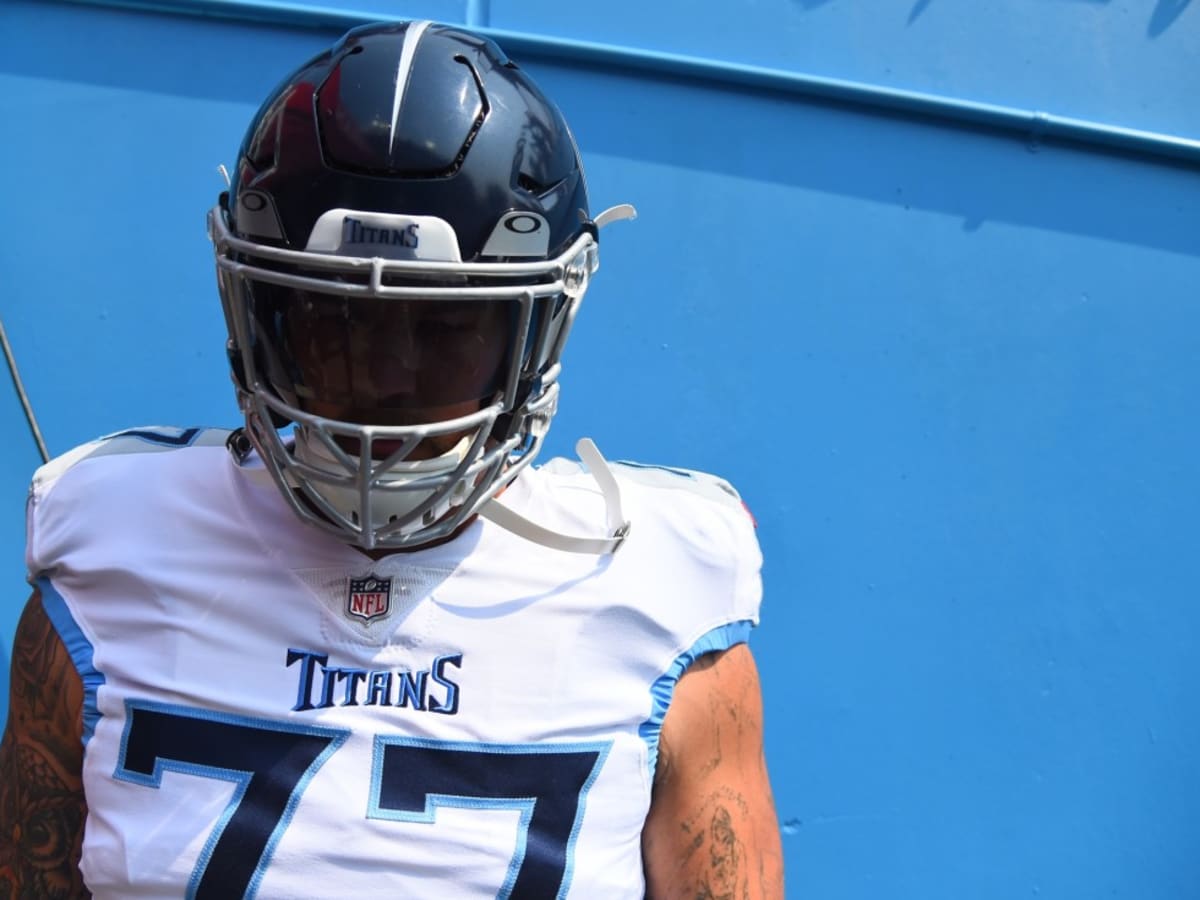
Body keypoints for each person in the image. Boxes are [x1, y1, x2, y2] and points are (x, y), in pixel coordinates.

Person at [0, 20, 783, 899]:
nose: (388, 376)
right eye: (336, 323)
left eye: (446, 330)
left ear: (541, 324)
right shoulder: (110, 546)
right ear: (261, 312)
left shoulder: (659, 582)